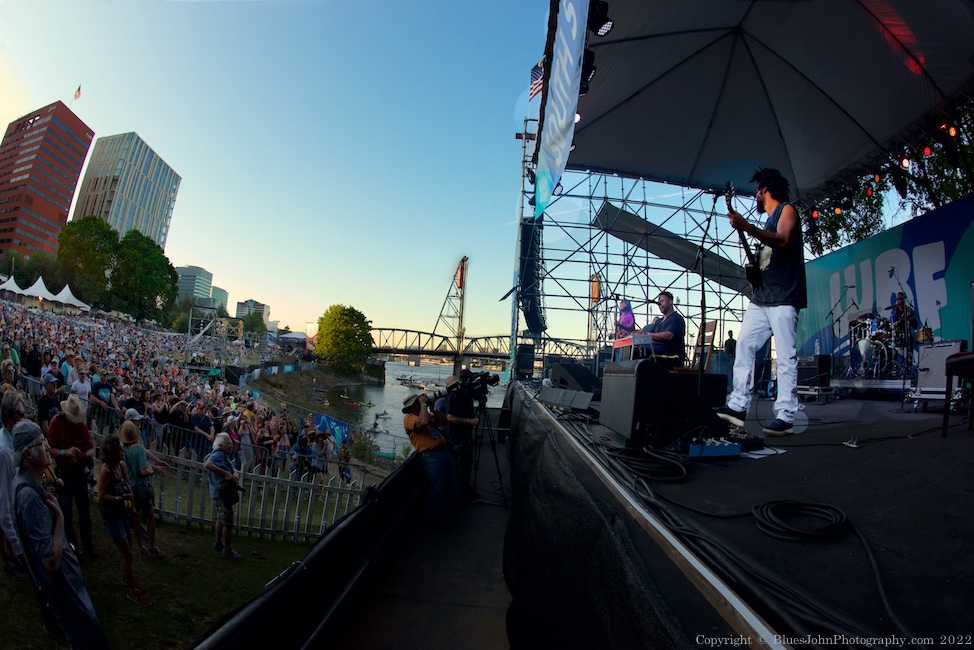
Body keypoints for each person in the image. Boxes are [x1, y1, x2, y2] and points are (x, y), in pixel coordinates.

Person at [717, 167, 807, 436]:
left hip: (783, 296)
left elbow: (783, 240)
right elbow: (768, 260)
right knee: (744, 344)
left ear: (765, 189)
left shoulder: (786, 211)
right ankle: (737, 406)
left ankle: (786, 415)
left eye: (758, 190)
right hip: (762, 296)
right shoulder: (768, 221)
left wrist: (748, 227)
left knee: (786, 356)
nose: (756, 195)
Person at [13, 420, 111, 647]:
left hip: (68, 582)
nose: (47, 447)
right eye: (40, 443)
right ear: (28, 454)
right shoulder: (29, 498)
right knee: (88, 637)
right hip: (64, 588)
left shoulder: (32, 485)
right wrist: (60, 519)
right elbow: (50, 561)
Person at [95, 433, 152, 606]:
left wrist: (131, 505)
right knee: (127, 554)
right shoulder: (106, 470)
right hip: (112, 516)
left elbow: (128, 487)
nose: (122, 451)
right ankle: (131, 591)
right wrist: (120, 498)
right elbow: (101, 495)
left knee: (128, 551)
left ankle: (126, 579)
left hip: (123, 514)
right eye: (119, 449)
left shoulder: (121, 465)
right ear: (111, 451)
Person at [48, 395, 98, 557]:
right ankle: (72, 546)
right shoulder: (56, 422)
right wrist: (66, 452)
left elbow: (91, 448)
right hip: (64, 474)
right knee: (65, 512)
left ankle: (88, 545)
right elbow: (51, 450)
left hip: (78, 474)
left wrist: (84, 455)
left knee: (84, 512)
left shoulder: (81, 425)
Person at [402, 392, 457, 525]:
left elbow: (444, 421)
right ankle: (430, 521)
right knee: (437, 488)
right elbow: (422, 422)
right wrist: (423, 405)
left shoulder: (424, 414)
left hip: (443, 451)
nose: (418, 405)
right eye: (416, 403)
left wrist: (432, 408)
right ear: (411, 407)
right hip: (431, 456)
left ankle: (446, 515)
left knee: (452, 483)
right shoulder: (409, 418)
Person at [120, 421, 169, 558]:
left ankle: (140, 547)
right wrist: (152, 470)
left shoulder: (124, 449)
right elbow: (143, 471)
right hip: (142, 487)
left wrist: (157, 464)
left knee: (136, 518)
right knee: (150, 517)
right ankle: (152, 546)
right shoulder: (139, 449)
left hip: (131, 488)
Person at [0, 390, 26, 581]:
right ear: (9, 417)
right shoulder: (4, 453)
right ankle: (6, 563)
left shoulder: (12, 436)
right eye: (21, 414)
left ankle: (10, 555)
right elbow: (4, 506)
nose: (24, 417)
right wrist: (19, 549)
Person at [203, 432, 242, 560]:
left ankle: (218, 544)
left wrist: (234, 473)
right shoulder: (218, 454)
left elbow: (233, 468)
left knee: (221, 518)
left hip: (220, 493)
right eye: (229, 443)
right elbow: (207, 465)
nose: (232, 445)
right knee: (228, 522)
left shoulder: (224, 455)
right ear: (221, 445)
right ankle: (227, 550)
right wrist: (225, 473)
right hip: (221, 493)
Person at [443, 374, 480, 502]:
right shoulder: (455, 397)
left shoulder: (464, 396)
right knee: (462, 465)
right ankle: (461, 493)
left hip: (464, 436)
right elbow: (450, 418)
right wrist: (470, 421)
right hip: (458, 438)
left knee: (466, 465)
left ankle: (465, 491)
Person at [635, 291, 685, 368]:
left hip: (671, 356)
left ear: (670, 302)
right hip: (658, 352)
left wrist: (647, 334)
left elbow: (669, 335)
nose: (659, 304)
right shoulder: (658, 321)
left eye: (662, 301)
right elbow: (649, 333)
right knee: (634, 350)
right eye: (658, 302)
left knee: (639, 352)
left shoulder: (676, 318)